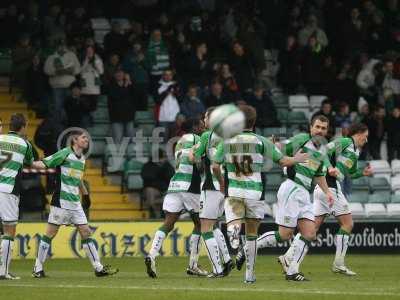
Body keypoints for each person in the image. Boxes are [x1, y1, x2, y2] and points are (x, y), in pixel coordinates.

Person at [211, 105, 308, 282]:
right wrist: (297, 159)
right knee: (252, 235)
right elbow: (284, 161)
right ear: (254, 122)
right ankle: (249, 276)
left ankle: (233, 229)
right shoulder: (262, 141)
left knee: (233, 217)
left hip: (234, 191)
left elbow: (215, 166)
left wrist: (222, 183)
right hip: (254, 192)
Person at [236, 115, 335, 281]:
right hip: (292, 188)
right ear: (311, 127)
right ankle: (247, 248)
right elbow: (280, 148)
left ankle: (292, 271)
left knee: (310, 233)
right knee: (285, 234)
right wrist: (272, 143)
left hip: (305, 193)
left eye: (323, 128)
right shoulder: (302, 139)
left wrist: (328, 192)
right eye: (317, 127)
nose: (320, 131)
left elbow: (318, 175)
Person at [279, 123, 372, 276]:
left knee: (312, 229)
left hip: (322, 189)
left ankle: (287, 257)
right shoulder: (345, 142)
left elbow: (351, 172)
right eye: (365, 136)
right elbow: (324, 150)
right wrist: (329, 168)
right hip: (328, 186)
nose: (366, 140)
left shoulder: (355, 152)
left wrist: (363, 173)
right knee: (348, 224)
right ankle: (339, 264)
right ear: (358, 133)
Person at [31, 129, 118, 278]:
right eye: (83, 138)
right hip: (61, 201)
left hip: (75, 203)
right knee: (50, 234)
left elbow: (78, 181)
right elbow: (45, 163)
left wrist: (86, 195)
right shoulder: (64, 153)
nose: (86, 140)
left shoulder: (82, 159)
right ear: (74, 140)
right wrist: (28, 162)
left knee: (86, 232)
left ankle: (98, 268)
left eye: (86, 138)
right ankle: (37, 268)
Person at [145, 119, 208, 278]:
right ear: (194, 128)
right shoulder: (198, 139)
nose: (203, 127)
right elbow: (199, 162)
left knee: (168, 223)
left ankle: (152, 255)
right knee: (200, 224)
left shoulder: (179, 142)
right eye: (200, 124)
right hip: (190, 185)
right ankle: (193, 264)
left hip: (175, 184)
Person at [189, 107, 233, 278]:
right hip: (224, 188)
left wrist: (193, 150)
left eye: (205, 117)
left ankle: (217, 269)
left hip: (210, 186)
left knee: (205, 228)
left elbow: (195, 159)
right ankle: (227, 259)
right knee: (213, 225)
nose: (204, 120)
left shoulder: (207, 136)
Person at [0, 114, 34, 280]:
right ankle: (3, 271)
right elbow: (30, 162)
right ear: (24, 126)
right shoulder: (24, 144)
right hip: (8, 189)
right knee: (9, 229)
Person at [44, 38, 81, 116]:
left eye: (63, 45)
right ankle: (59, 127)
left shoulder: (72, 55)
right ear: (56, 47)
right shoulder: (51, 57)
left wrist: (71, 71)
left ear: (65, 46)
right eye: (59, 46)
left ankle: (70, 126)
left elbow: (78, 69)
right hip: (56, 87)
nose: (61, 47)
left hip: (70, 87)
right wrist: (56, 72)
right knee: (58, 108)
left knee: (71, 108)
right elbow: (46, 70)